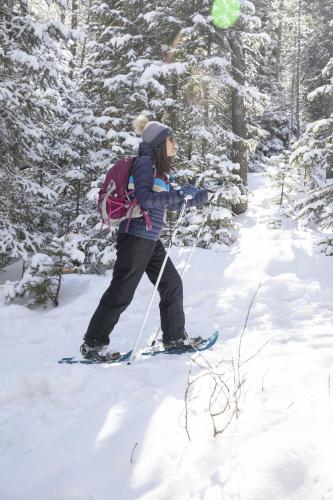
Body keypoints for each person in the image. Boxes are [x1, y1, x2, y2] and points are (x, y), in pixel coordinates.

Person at [80, 115, 210, 361]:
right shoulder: (144, 164)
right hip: (135, 237)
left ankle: (174, 338)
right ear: (160, 142)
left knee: (171, 283)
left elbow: (168, 200)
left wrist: (196, 196)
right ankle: (93, 345)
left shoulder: (157, 169)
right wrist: (181, 195)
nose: (175, 145)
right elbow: (147, 199)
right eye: (171, 141)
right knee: (121, 292)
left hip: (149, 239)